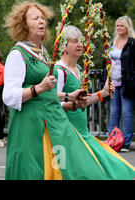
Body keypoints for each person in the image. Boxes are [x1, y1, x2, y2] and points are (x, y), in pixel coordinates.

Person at [2, 0, 109, 180]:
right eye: (35, 18)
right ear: (23, 24)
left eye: (43, 18)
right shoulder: (17, 54)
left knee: (74, 168)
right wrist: (38, 88)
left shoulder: (42, 51)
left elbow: (48, 90)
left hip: (52, 121)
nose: (41, 21)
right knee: (34, 171)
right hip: (30, 124)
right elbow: (9, 96)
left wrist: (68, 95)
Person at [55, 25, 134, 179]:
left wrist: (103, 93)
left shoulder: (78, 68)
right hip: (68, 136)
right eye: (75, 42)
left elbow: (82, 102)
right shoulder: (59, 70)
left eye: (81, 41)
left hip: (83, 133)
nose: (80, 45)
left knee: (115, 168)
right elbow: (54, 102)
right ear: (64, 47)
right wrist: (71, 103)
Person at [107, 16, 135, 152]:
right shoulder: (113, 42)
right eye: (117, 26)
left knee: (127, 112)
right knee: (114, 112)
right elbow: (107, 62)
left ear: (127, 27)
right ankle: (113, 140)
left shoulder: (132, 43)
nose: (118, 28)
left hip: (127, 83)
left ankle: (126, 142)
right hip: (113, 82)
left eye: (121, 26)